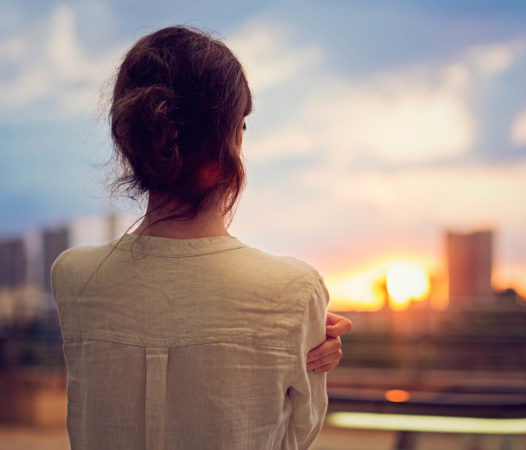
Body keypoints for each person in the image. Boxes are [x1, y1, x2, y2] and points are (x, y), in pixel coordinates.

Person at [51, 25, 350, 450]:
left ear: (133, 137)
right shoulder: (297, 290)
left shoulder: (73, 276)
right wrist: (299, 334)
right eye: (241, 124)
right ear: (230, 138)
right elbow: (293, 438)